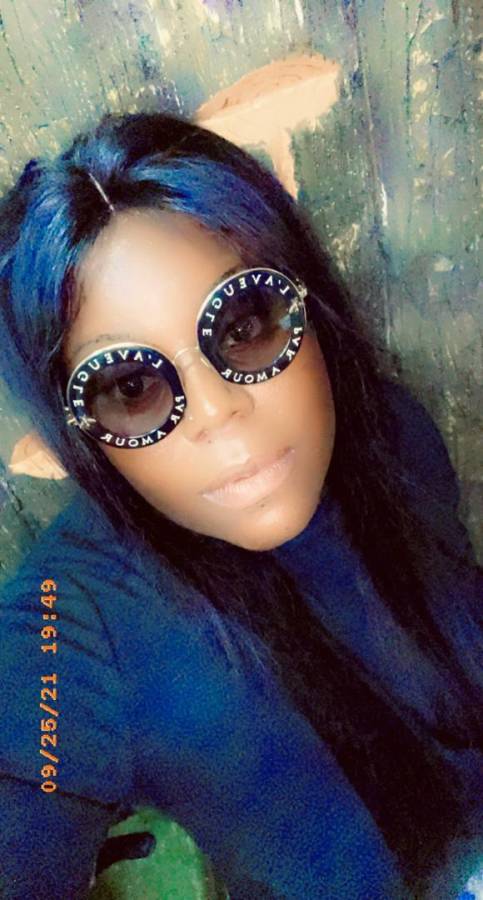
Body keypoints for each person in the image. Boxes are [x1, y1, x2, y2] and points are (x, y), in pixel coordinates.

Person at [0, 111, 481, 900]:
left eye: (243, 323)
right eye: (131, 386)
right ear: (83, 432)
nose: (217, 410)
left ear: (307, 307)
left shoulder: (392, 434)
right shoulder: (72, 626)